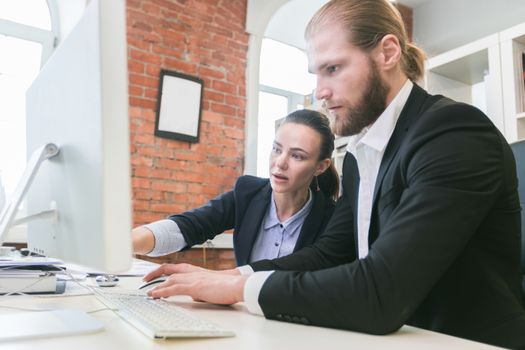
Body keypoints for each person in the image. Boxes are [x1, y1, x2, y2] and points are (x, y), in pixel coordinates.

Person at [142, 0, 525, 348]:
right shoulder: (359, 158)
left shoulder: (452, 132)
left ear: (388, 53)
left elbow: (382, 291)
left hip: (459, 340)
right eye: (316, 73)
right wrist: (227, 279)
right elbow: (329, 255)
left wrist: (240, 287)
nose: (320, 92)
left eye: (334, 69)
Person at [132, 109, 339, 266]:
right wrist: (124, 243)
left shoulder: (334, 220)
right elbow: (190, 226)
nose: (280, 163)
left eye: (297, 156)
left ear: (321, 166)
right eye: (277, 149)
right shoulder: (248, 194)